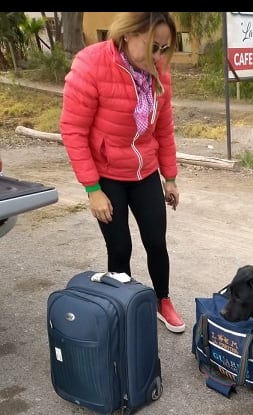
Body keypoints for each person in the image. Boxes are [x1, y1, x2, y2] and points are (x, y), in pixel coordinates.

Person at [60, 12, 185, 333]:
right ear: (129, 35)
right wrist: (92, 189)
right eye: (152, 46)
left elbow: (164, 130)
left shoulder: (159, 73)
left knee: (156, 241)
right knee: (119, 248)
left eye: (164, 48)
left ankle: (162, 300)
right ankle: (121, 308)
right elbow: (73, 129)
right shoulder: (91, 64)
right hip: (107, 176)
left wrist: (169, 178)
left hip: (144, 171)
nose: (158, 56)